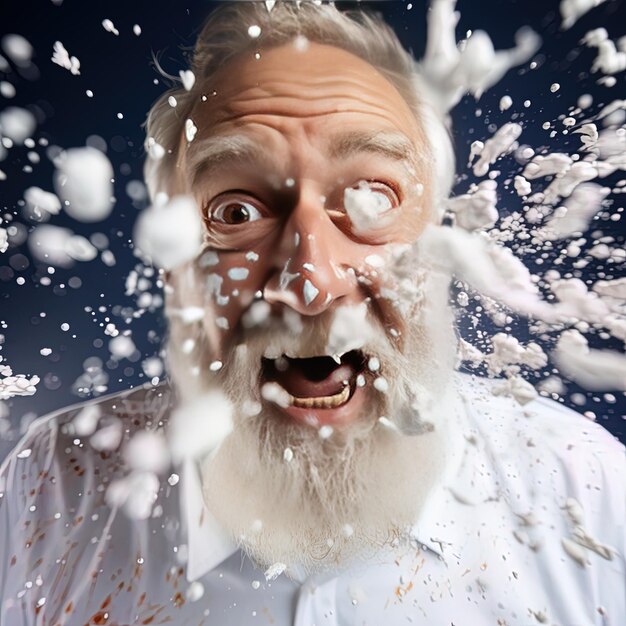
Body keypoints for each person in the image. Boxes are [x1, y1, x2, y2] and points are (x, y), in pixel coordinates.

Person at [1, 2, 624, 625]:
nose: (312, 283)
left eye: (372, 201)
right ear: (175, 262)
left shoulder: (581, 486)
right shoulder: (57, 480)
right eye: (236, 212)